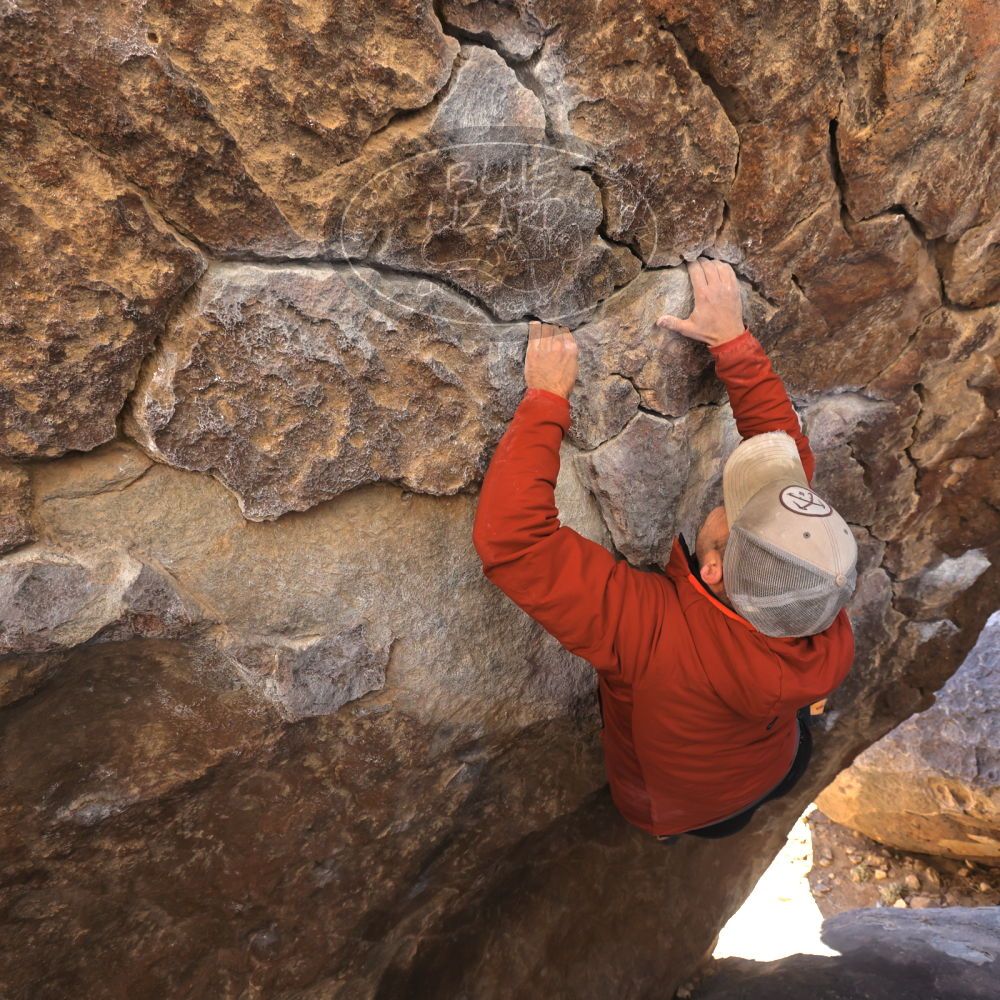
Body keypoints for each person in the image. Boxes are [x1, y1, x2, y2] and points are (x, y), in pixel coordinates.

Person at [471, 258, 857, 841]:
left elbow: (515, 543)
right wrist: (732, 342)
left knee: (708, 821)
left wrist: (547, 399)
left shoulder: (656, 634)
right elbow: (785, 460)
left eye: (737, 510)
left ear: (713, 568)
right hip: (776, 761)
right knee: (772, 768)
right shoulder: (818, 587)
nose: (731, 496)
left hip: (683, 808)